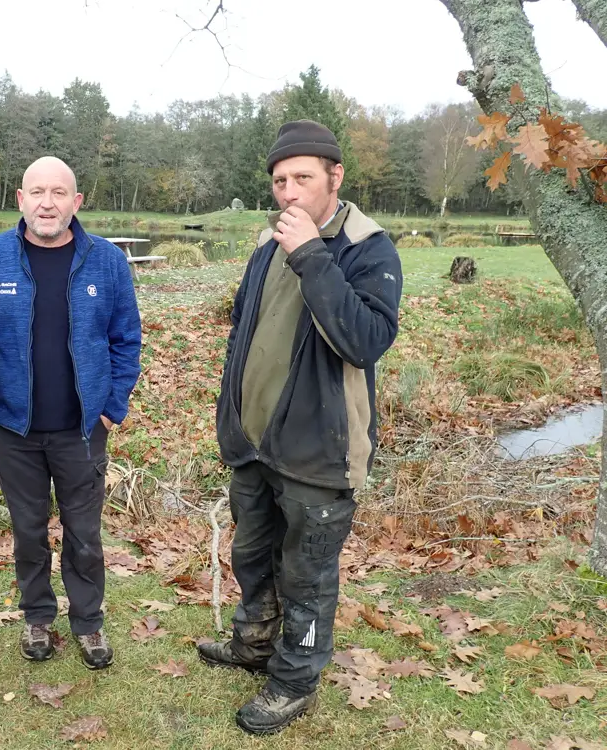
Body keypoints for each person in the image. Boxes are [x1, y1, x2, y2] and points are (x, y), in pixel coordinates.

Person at [200, 120, 404, 735]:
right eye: (280, 181)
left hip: (319, 452)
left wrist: (311, 253)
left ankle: (293, 680)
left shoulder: (368, 247)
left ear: (335, 178)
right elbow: (244, 332)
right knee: (251, 556)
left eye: (303, 178)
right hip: (255, 443)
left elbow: (365, 341)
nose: (289, 192)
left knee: (307, 574)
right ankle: (255, 643)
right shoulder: (266, 244)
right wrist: (231, 420)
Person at [0, 156, 141, 671]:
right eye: (37, 192)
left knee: (84, 535)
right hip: (12, 428)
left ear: (76, 202)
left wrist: (112, 408)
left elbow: (126, 338)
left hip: (82, 431)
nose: (48, 202)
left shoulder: (106, 261)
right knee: (28, 529)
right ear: (20, 199)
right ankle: (37, 617)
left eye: (59, 193)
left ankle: (88, 623)